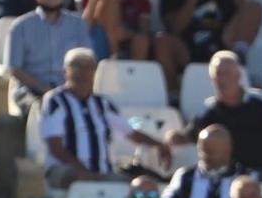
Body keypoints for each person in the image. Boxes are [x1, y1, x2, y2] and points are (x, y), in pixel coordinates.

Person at [37, 48, 168, 190]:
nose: (82, 72)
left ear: (94, 73)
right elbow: (55, 146)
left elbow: (130, 133)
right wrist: (81, 170)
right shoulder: (55, 100)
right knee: (81, 181)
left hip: (101, 172)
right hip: (66, 169)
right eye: (76, 66)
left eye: (88, 67)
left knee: (133, 188)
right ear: (65, 71)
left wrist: (159, 144)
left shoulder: (103, 103)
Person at [0, 0, 93, 113]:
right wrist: (43, 89)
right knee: (40, 110)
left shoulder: (78, 24)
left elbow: (86, 59)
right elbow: (14, 68)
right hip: (32, 91)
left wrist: (71, 87)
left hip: (71, 88)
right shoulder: (20, 27)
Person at [190, 50, 262, 175]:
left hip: (259, 176)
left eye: (227, 73)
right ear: (212, 79)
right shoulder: (208, 111)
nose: (222, 79)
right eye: (218, 74)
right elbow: (189, 135)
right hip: (221, 177)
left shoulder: (261, 106)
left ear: (238, 76)